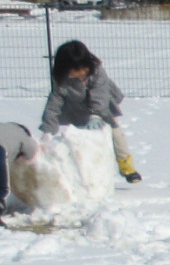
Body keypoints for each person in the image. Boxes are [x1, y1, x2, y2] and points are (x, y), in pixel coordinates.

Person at [42, 40, 140, 183]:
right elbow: (54, 102)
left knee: (116, 134)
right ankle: (86, 172)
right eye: (75, 71)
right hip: (77, 110)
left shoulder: (97, 71)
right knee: (81, 142)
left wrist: (96, 114)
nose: (80, 73)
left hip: (103, 108)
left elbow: (100, 93)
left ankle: (126, 166)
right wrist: (48, 129)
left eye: (83, 69)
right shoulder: (60, 78)